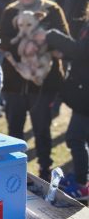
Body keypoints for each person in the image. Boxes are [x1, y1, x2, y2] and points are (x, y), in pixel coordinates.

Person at [0, 0, 69, 181]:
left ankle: (45, 172)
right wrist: (21, 50)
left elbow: (64, 41)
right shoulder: (10, 11)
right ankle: (15, 174)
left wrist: (43, 42)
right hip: (14, 83)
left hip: (44, 83)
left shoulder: (52, 10)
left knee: (42, 129)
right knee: (14, 129)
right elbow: (2, 40)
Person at [33, 21, 89, 200]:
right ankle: (81, 179)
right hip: (83, 94)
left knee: (75, 137)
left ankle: (82, 185)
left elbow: (81, 50)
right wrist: (64, 53)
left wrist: (50, 35)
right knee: (79, 138)